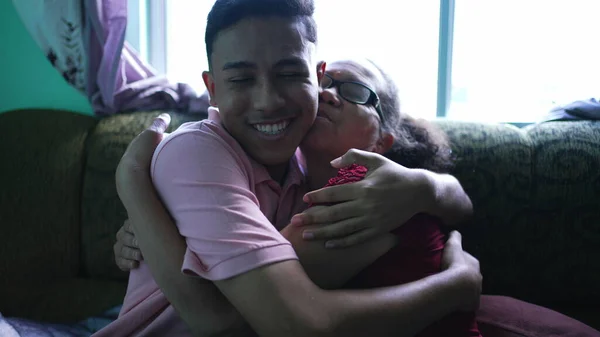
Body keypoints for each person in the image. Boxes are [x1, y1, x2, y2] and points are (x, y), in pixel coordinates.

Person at [95, 0, 481, 336]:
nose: (268, 101)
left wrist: (427, 187)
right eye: (243, 78)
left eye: (289, 74)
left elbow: (228, 319)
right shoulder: (201, 151)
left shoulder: (354, 186)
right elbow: (243, 320)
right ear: (213, 89)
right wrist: (138, 198)